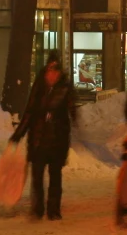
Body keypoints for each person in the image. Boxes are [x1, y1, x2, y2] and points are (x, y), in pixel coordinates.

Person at [11, 52, 78, 221]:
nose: (52, 74)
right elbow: (29, 112)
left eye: (55, 70)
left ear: (60, 72)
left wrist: (73, 116)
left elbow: (72, 111)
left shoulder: (65, 88)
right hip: (38, 138)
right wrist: (19, 133)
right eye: (50, 70)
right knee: (37, 176)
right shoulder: (39, 87)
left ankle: (53, 210)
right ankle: (37, 209)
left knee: (55, 175)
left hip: (57, 139)